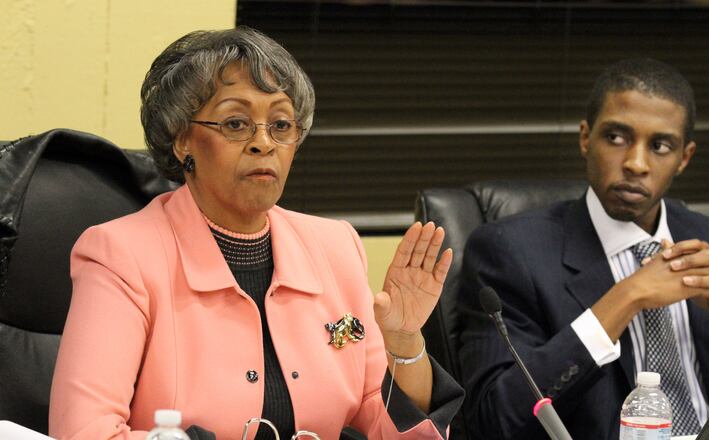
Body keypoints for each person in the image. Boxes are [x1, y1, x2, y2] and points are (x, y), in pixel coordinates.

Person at [49, 27, 463, 440]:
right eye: (236, 123)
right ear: (182, 141)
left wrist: (406, 342)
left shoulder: (336, 247)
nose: (263, 143)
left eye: (281, 125)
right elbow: (86, 432)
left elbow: (381, 424)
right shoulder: (121, 256)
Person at [456, 58, 709, 439]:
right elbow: (495, 419)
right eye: (616, 137)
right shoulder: (511, 252)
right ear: (585, 138)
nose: (635, 163)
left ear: (684, 158)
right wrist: (629, 295)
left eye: (660, 146)